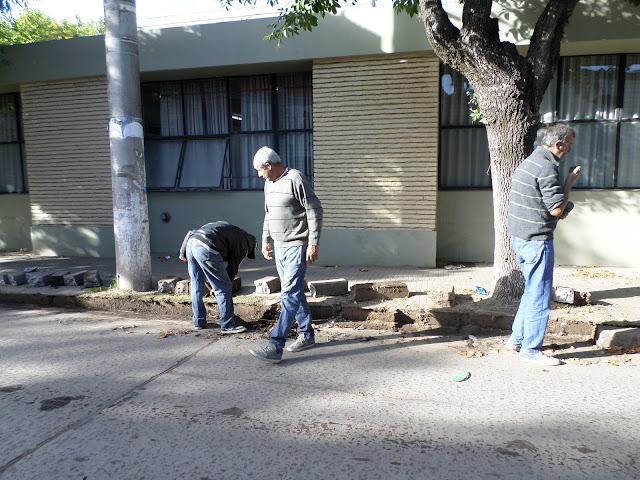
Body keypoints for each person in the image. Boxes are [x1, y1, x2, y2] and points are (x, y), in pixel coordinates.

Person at [506, 123, 581, 366]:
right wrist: (569, 183)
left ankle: (516, 339)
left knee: (532, 290)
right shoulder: (547, 167)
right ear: (558, 144)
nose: (569, 149)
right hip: (537, 241)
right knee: (539, 295)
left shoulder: (530, 161)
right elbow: (556, 208)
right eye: (568, 145)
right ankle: (530, 350)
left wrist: (565, 185)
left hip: (520, 237)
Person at [249, 146, 323, 363]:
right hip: (279, 247)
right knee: (295, 291)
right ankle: (307, 335)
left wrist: (313, 244)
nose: (259, 175)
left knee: (288, 294)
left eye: (260, 170)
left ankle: (275, 345)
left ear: (269, 166)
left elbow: (315, 210)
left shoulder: (295, 179)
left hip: (296, 245)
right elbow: (268, 214)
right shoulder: (268, 184)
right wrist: (265, 239)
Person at [179, 221, 257, 333]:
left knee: (196, 284)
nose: (245, 254)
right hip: (207, 247)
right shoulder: (243, 243)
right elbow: (232, 268)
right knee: (223, 287)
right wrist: (221, 286)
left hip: (191, 244)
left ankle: (198, 322)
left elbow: (191, 232)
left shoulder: (227, 228)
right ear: (250, 246)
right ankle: (228, 325)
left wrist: (182, 253)